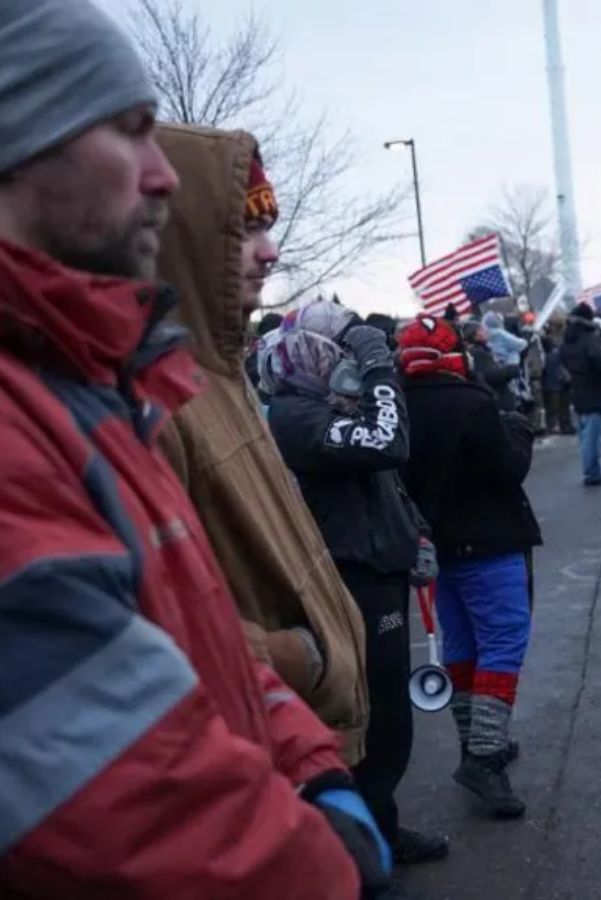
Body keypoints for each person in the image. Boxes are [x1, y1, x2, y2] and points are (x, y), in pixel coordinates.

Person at [0, 1, 390, 895]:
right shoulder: (47, 417)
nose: (163, 175)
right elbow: (121, 807)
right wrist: (324, 863)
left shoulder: (105, 386)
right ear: (20, 139)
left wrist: (310, 763)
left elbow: (190, 634)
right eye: (129, 129)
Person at [154, 124, 372, 768]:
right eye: (245, 230)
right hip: (256, 759)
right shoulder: (159, 403)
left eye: (268, 228)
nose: (271, 253)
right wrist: (299, 658)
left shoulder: (225, 377)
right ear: (184, 238)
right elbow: (149, 628)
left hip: (303, 742)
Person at [263, 299, 449, 874]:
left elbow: (384, 475)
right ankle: (360, 850)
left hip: (380, 571)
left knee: (390, 718)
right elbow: (386, 442)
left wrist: (415, 532)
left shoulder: (325, 405)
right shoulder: (294, 415)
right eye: (336, 352)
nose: (343, 362)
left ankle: (379, 827)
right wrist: (377, 366)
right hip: (352, 579)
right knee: (373, 718)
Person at [398, 316, 542, 819]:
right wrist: (518, 429)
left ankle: (476, 743)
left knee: (461, 645)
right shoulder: (472, 401)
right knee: (502, 642)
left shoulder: (396, 403)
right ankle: (484, 755)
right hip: (488, 542)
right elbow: (508, 468)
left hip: (437, 548)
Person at [561, 302, 601, 485]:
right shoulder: (589, 338)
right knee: (593, 437)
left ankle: (592, 470)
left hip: (578, 390)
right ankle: (592, 472)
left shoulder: (567, 340)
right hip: (595, 390)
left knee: (585, 435)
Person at [462, 318, 521, 412]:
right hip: (497, 401)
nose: (486, 332)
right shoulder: (477, 353)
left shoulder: (481, 350)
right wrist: (510, 371)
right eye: (481, 330)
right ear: (474, 335)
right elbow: (488, 375)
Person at [542, 334, 574, 434]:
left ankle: (552, 426)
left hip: (549, 385)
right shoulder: (558, 354)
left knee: (552, 408)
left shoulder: (545, 357)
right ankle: (565, 425)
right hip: (561, 383)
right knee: (563, 407)